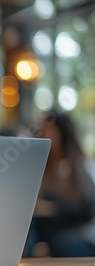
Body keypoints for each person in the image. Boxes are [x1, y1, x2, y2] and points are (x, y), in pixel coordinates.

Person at [26, 109, 95, 257]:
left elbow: (86, 210)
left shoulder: (80, 169)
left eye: (49, 130)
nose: (44, 133)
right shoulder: (40, 168)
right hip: (44, 234)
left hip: (72, 234)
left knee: (63, 245)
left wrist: (52, 207)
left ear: (62, 133)